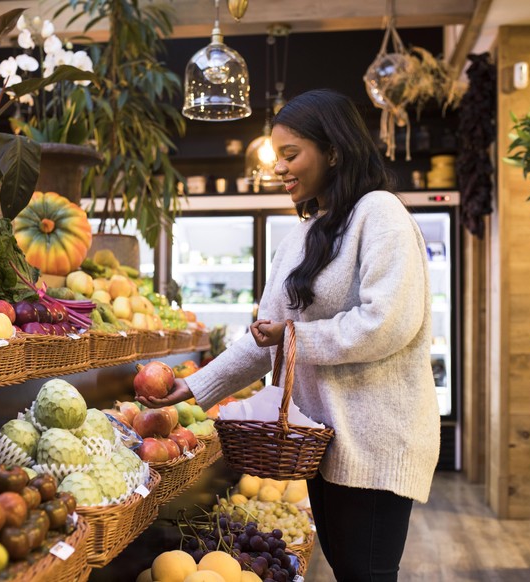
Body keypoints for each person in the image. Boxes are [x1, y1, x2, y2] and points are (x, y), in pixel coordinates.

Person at [139, 89, 440, 581]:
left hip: (376, 440)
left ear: (335, 151)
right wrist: (195, 387)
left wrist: (294, 336)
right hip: (321, 440)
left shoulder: (380, 213)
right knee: (349, 569)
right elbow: (266, 337)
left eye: (290, 154)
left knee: (367, 573)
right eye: (277, 155)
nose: (278, 167)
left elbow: (386, 325)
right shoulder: (301, 235)